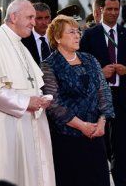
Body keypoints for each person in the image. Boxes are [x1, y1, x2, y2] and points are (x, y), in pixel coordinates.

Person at [0, 0, 55, 186]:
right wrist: (26, 102)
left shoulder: (19, 44)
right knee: (7, 174)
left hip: (20, 124)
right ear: (14, 17)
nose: (34, 22)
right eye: (30, 17)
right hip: (1, 126)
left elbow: (30, 84)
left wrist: (38, 99)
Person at [79, 0, 126, 186]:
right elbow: (80, 66)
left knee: (119, 146)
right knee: (104, 148)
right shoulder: (90, 35)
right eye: (110, 9)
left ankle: (122, 182)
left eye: (117, 9)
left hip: (122, 99)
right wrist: (99, 71)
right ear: (100, 10)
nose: (114, 13)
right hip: (98, 99)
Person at [41, 14, 113, 186]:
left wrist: (102, 121)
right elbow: (53, 103)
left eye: (78, 31)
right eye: (71, 32)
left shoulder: (90, 59)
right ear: (58, 37)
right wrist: (82, 126)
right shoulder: (49, 65)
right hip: (67, 138)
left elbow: (104, 90)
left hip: (96, 134)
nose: (77, 35)